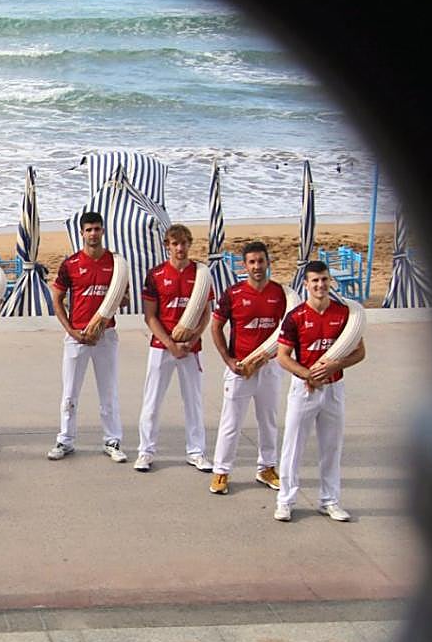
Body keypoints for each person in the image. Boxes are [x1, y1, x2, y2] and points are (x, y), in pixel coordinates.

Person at [273, 261, 366, 522]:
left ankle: (330, 500)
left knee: (331, 446)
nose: (320, 285)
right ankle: (286, 501)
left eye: (324, 280)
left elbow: (360, 351)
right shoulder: (295, 317)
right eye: (315, 281)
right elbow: (282, 356)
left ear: (330, 281)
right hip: (304, 390)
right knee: (293, 446)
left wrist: (338, 363)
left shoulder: (343, 313)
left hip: (334, 388)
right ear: (306, 284)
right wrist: (307, 374)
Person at [46, 211, 128, 464]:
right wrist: (70, 330)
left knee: (108, 391)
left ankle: (112, 441)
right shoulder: (70, 264)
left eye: (97, 229)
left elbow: (123, 298)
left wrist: (104, 316)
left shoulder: (116, 264)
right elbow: (57, 298)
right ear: (81, 233)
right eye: (88, 229)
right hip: (77, 337)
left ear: (103, 231)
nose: (93, 234)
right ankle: (65, 440)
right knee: (70, 393)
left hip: (106, 336)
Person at [207, 241, 288, 495]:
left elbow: (288, 330)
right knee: (231, 422)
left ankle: (266, 468)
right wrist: (228, 361)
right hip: (240, 369)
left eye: (260, 261)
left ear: (267, 262)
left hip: (270, 368)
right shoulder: (233, 294)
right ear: (244, 265)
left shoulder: (280, 293)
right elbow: (216, 327)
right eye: (251, 262)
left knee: (269, 420)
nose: (256, 266)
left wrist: (274, 356)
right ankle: (221, 471)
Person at [135, 224, 214, 472]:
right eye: (175, 243)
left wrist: (191, 341)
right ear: (166, 246)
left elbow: (205, 314)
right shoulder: (156, 274)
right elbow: (150, 316)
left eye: (184, 243)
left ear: (190, 244)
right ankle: (145, 451)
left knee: (193, 401)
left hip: (191, 348)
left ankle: (197, 452)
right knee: (152, 400)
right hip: (161, 346)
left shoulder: (200, 275)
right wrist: (170, 344)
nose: (180, 248)